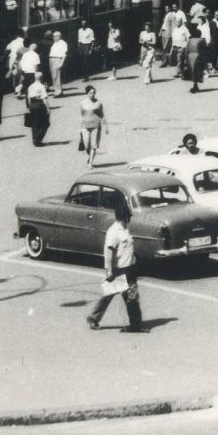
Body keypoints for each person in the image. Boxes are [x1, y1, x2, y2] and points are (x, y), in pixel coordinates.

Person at [86, 200, 144, 333]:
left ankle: (135, 325)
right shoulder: (113, 231)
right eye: (129, 215)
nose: (130, 218)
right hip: (119, 271)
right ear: (125, 216)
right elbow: (109, 251)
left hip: (129, 269)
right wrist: (109, 270)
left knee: (131, 297)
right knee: (114, 296)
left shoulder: (125, 229)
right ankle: (94, 317)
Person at [78, 84, 108, 168]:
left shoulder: (98, 103)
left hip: (96, 125)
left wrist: (106, 127)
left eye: (93, 93)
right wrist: (81, 126)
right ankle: (90, 157)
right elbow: (82, 114)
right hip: (85, 126)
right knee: (87, 145)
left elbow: (102, 115)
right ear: (87, 93)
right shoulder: (82, 103)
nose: (92, 94)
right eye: (90, 93)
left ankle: (90, 163)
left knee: (94, 145)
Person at [26, 73, 51, 147]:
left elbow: (28, 97)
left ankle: (34, 139)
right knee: (45, 123)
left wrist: (29, 107)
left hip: (32, 104)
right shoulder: (41, 86)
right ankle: (38, 138)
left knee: (34, 123)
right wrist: (48, 108)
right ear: (42, 78)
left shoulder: (30, 86)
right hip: (39, 104)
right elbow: (44, 98)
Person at [48, 31, 69, 97]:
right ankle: (57, 90)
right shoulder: (55, 43)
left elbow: (65, 54)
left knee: (57, 76)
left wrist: (62, 63)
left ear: (58, 36)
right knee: (54, 76)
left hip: (57, 59)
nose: (53, 37)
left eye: (54, 36)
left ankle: (58, 92)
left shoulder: (63, 43)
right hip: (52, 60)